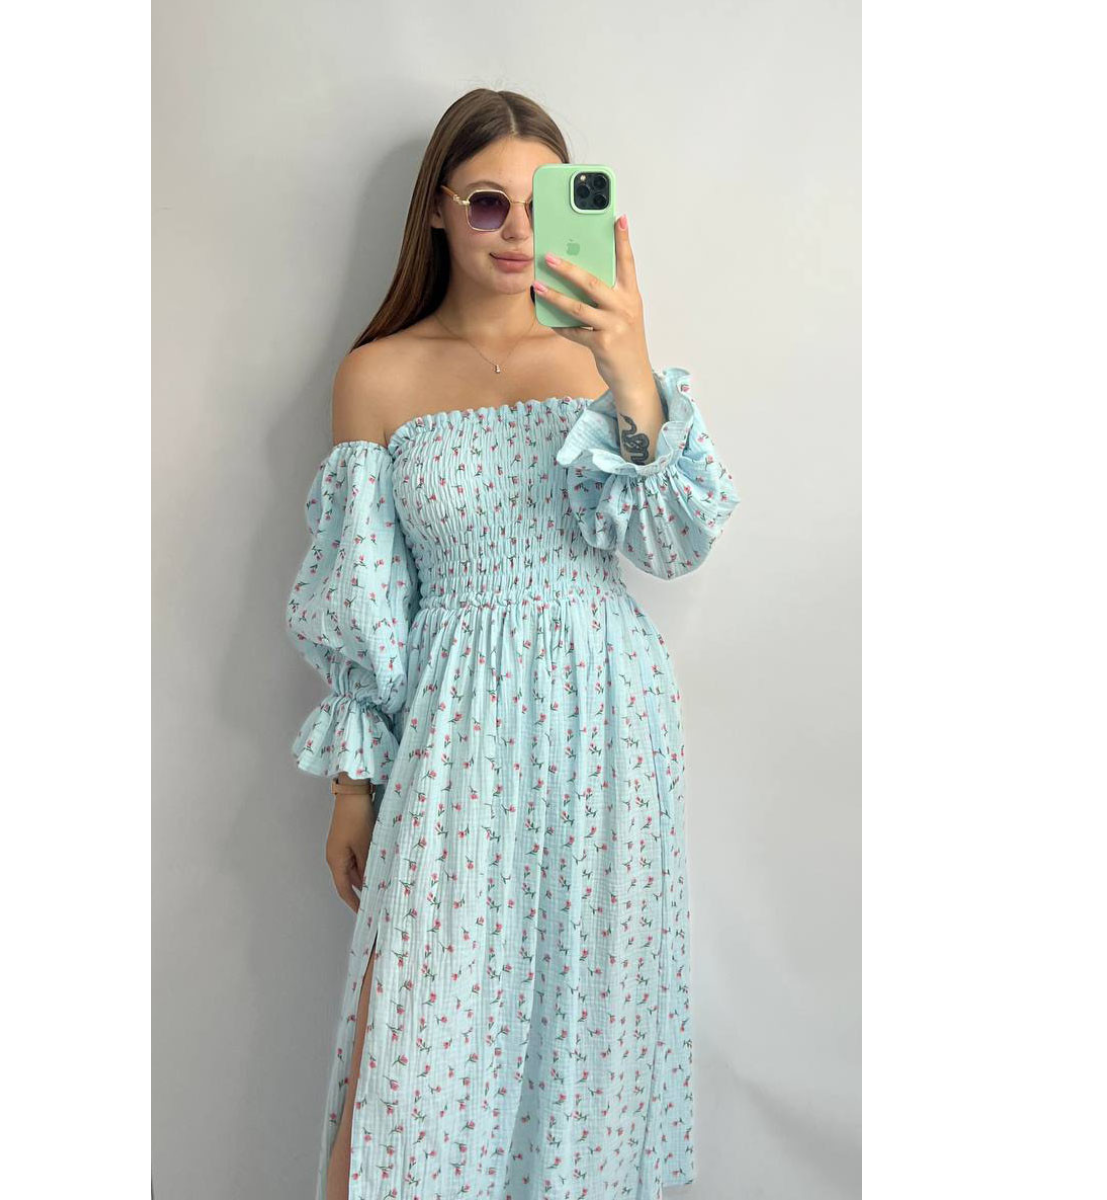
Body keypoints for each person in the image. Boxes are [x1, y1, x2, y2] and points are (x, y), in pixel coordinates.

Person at [285, 87, 741, 1200]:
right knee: (413, 1055)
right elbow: (363, 593)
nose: (519, 231)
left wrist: (629, 361)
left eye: (544, 203)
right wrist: (352, 785)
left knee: (590, 1045)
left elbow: (673, 542)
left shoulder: (594, 360)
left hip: (606, 728)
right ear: (439, 209)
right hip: (453, 741)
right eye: (489, 203)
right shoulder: (378, 376)